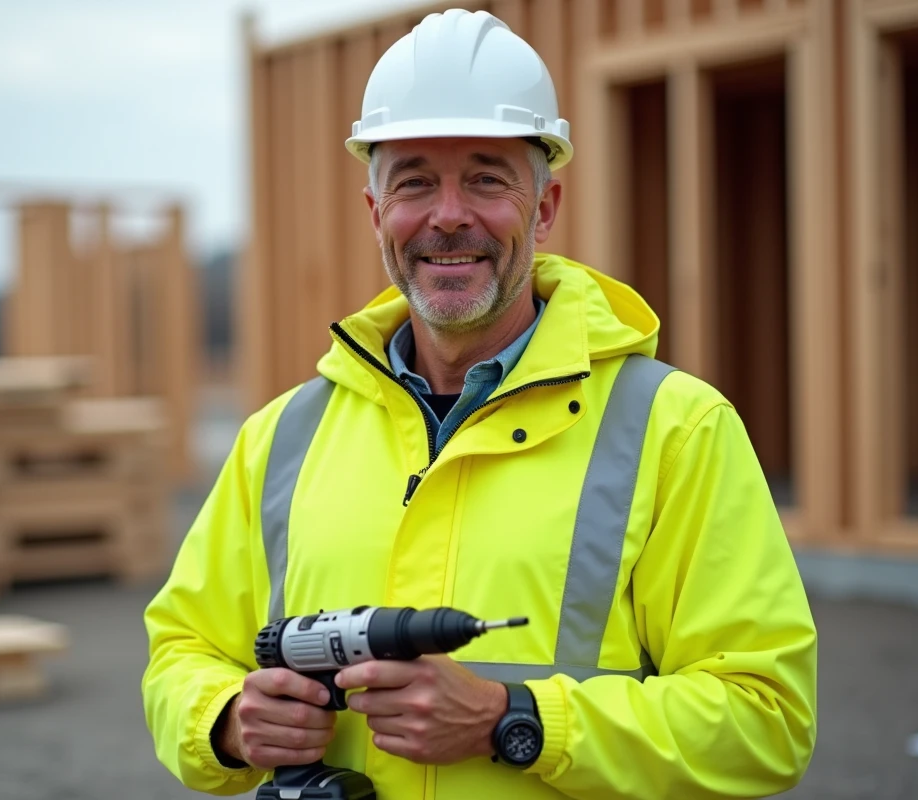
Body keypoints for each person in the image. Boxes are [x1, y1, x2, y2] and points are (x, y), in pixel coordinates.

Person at [142, 8, 817, 799]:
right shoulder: (283, 437)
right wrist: (226, 719)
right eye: (414, 181)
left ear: (545, 207)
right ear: (376, 214)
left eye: (488, 178)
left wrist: (514, 718)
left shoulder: (676, 430)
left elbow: (766, 720)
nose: (449, 214)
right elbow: (182, 648)